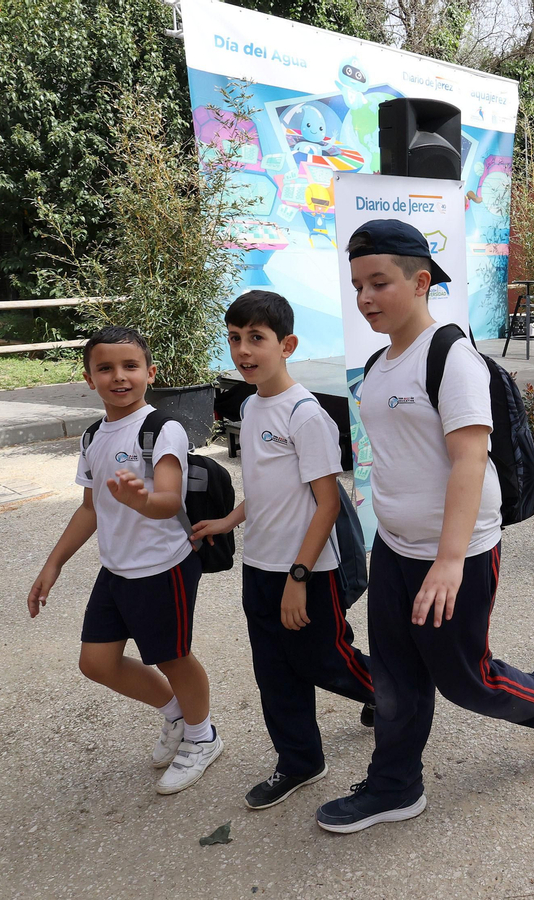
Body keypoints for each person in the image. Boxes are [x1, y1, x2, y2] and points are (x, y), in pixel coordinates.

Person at [318, 219, 534, 834]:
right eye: (357, 285)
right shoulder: (380, 366)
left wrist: (451, 560)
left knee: (466, 680)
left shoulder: (451, 358)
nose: (365, 298)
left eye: (379, 282)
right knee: (396, 676)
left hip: (454, 554)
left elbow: (469, 460)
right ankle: (395, 786)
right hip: (395, 549)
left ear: (421, 280)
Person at [190, 291, 377, 811]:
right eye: (234, 338)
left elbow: (325, 505)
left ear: (286, 344)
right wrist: (231, 518)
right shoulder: (250, 406)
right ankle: (299, 761)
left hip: (307, 571)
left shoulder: (306, 415)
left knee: (325, 660)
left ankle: (389, 690)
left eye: (256, 339)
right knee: (273, 670)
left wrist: (299, 576)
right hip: (260, 568)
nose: (243, 351)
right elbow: (269, 486)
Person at [27, 326, 222, 795]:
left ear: (150, 373)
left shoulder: (162, 429)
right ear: (89, 378)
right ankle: (177, 715)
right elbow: (90, 507)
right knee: (96, 663)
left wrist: (141, 501)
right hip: (116, 569)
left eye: (130, 366)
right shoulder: (93, 434)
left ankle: (203, 736)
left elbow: (168, 497)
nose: (119, 376)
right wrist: (53, 564)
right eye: (106, 368)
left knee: (174, 657)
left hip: (163, 566)